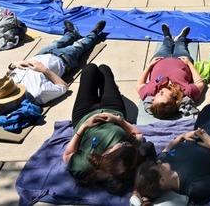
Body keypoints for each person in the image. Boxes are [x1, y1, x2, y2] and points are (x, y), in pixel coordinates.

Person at [64, 62, 151, 193]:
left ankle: (98, 89)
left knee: (90, 69)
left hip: (84, 114)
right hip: (113, 110)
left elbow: (67, 155)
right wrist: (118, 120)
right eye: (124, 143)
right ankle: (107, 88)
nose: (123, 143)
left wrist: (84, 127)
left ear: (110, 156)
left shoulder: (84, 165)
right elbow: (138, 135)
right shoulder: (129, 156)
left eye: (121, 144)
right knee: (105, 69)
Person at [6, 20, 106, 105]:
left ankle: (71, 33)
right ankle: (94, 33)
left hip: (41, 55)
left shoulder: (8, 86)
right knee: (79, 45)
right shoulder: (37, 93)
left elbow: (7, 75)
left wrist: (13, 65)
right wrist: (44, 70)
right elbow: (63, 87)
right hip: (62, 60)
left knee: (58, 42)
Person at [136, 25, 205, 119]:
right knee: (181, 46)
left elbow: (140, 84)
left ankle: (167, 37)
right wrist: (189, 64)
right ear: (173, 99)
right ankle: (181, 38)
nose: (159, 92)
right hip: (182, 60)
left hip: (160, 59)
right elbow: (200, 84)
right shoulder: (186, 91)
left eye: (155, 97)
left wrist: (149, 66)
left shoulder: (149, 91)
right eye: (162, 94)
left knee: (165, 45)